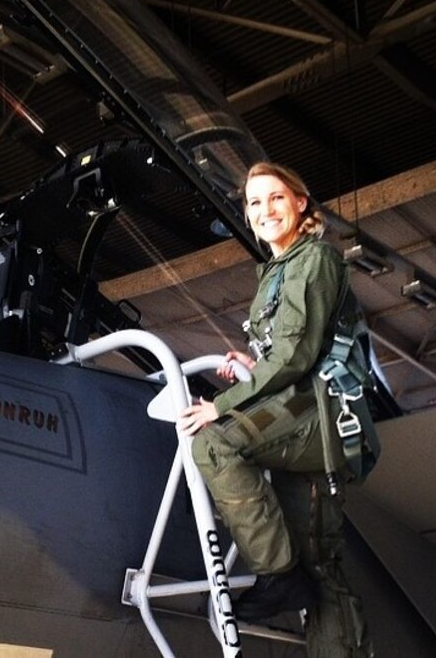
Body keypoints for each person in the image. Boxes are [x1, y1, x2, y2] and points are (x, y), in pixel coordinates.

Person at [177, 161, 374, 656]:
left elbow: (296, 357)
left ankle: (276, 574)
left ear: (301, 202)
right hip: (300, 415)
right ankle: (291, 581)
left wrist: (219, 406)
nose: (265, 210)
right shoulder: (275, 271)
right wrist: (253, 360)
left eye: (276, 197)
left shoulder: (316, 259)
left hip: (317, 415)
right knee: (319, 571)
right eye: (255, 202)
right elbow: (288, 348)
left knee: (214, 442)